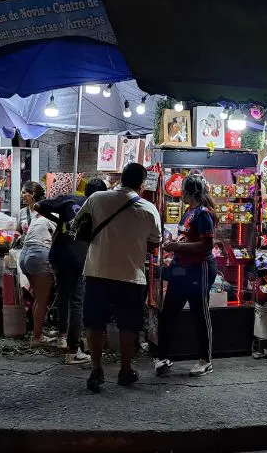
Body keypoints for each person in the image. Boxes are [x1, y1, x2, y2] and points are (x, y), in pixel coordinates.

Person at [74, 162, 161, 393]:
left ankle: (96, 369)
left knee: (94, 322)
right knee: (128, 324)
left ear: (120, 178)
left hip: (96, 271)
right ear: (142, 184)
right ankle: (125, 369)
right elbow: (155, 242)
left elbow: (78, 224)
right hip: (130, 275)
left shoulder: (97, 199)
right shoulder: (148, 208)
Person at [35, 178, 108, 364]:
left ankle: (61, 337)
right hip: (78, 260)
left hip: (58, 255)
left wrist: (59, 221)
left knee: (62, 296)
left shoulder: (69, 199)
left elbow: (37, 206)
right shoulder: (99, 208)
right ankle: (73, 350)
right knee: (77, 301)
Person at [155, 174, 218, 378]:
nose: (181, 193)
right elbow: (187, 237)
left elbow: (206, 245)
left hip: (199, 269)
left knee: (200, 314)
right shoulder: (188, 212)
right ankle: (162, 357)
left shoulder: (203, 214)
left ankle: (205, 360)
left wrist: (177, 246)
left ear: (191, 192)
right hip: (181, 269)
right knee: (168, 313)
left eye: (183, 190)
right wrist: (173, 243)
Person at [18, 181, 56, 346]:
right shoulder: (50, 213)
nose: (22, 195)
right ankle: (37, 337)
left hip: (25, 255)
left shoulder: (41, 213)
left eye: (24, 192)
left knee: (38, 298)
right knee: (42, 299)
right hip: (38, 254)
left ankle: (37, 332)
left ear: (33, 195)